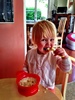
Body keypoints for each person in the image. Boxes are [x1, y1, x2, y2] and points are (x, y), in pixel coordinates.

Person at [23, 20, 72, 93]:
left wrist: (65, 57)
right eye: (44, 40)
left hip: (49, 88)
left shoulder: (54, 55)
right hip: (33, 87)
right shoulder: (30, 54)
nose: (49, 43)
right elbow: (25, 67)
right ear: (35, 40)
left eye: (52, 39)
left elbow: (66, 68)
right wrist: (24, 74)